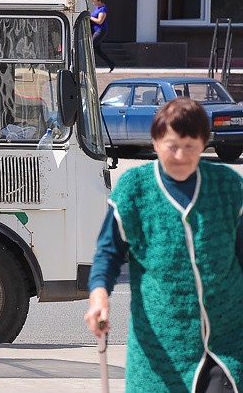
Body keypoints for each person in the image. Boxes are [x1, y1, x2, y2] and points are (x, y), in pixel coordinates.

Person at [84, 98, 243, 392]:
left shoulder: (229, 187)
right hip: (162, 344)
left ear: (204, 144)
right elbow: (108, 253)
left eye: (191, 146)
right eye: (172, 145)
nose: (181, 155)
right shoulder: (135, 189)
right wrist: (99, 298)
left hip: (227, 340)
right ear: (156, 142)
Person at [89, 0, 115, 72]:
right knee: (97, 50)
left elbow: (100, 21)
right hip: (96, 30)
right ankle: (111, 64)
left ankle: (90, 66)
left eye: (94, 1)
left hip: (100, 30)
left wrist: (89, 17)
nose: (93, 3)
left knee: (90, 46)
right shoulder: (97, 8)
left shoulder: (103, 9)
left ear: (99, 0)